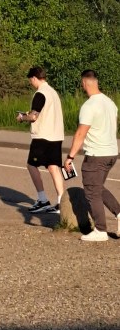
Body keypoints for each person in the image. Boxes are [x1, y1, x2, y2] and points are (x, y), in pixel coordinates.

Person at [64, 68, 119, 242]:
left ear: (84, 83)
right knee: (98, 187)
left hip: (96, 155)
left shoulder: (89, 106)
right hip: (111, 153)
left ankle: (100, 230)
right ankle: (119, 214)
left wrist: (70, 157)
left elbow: (81, 133)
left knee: (91, 192)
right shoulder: (110, 103)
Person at [17, 66, 65, 214]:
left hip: (42, 136)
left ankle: (42, 199)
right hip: (56, 136)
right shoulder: (53, 92)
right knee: (53, 167)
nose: (31, 83)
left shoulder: (40, 93)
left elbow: (33, 116)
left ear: (34, 78)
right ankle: (61, 202)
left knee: (31, 165)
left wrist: (22, 117)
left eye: (30, 80)